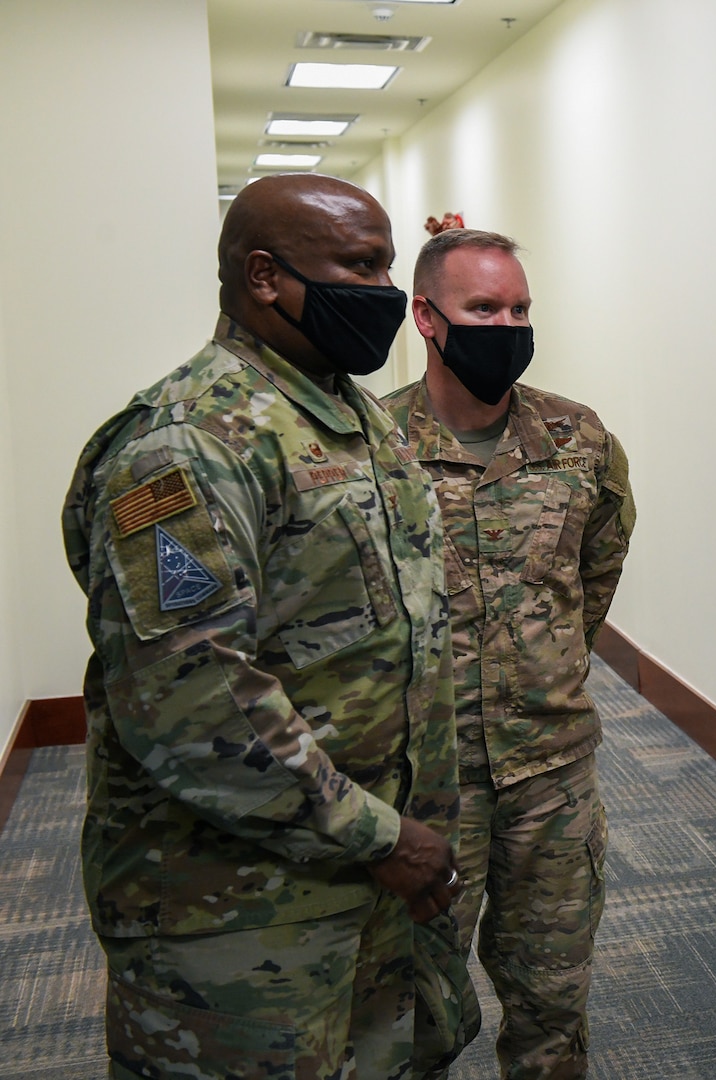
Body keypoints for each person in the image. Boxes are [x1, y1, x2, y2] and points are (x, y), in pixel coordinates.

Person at [61, 174, 462, 1079]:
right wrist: (381, 835)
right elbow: (193, 698)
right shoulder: (188, 443)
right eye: (361, 267)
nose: (386, 293)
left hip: (367, 876)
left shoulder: (354, 417)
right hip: (233, 908)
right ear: (264, 276)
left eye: (389, 265)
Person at [383, 228, 635, 1080]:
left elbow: (595, 570)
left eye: (520, 307)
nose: (507, 325)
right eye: (482, 308)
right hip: (425, 783)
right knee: (414, 1012)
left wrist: (546, 660)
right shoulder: (372, 451)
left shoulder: (579, 439)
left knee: (552, 1007)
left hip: (552, 778)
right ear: (426, 317)